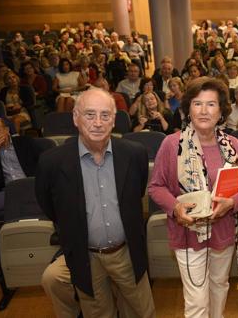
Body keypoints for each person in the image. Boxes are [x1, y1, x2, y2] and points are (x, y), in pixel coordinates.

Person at [36, 88, 156, 318]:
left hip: (127, 252)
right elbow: (49, 205)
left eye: (105, 115)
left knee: (143, 312)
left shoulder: (134, 154)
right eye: (90, 115)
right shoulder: (51, 162)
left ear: (114, 120)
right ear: (75, 118)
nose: (98, 123)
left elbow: (137, 193)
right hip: (85, 256)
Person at [148, 77, 238, 318]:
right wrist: (176, 207)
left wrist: (232, 203)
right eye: (197, 104)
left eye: (211, 104)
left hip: (224, 231)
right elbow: (156, 187)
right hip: (188, 233)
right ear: (188, 108)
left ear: (221, 111)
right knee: (197, 301)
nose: (203, 110)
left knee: (219, 288)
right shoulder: (171, 144)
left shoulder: (232, 146)